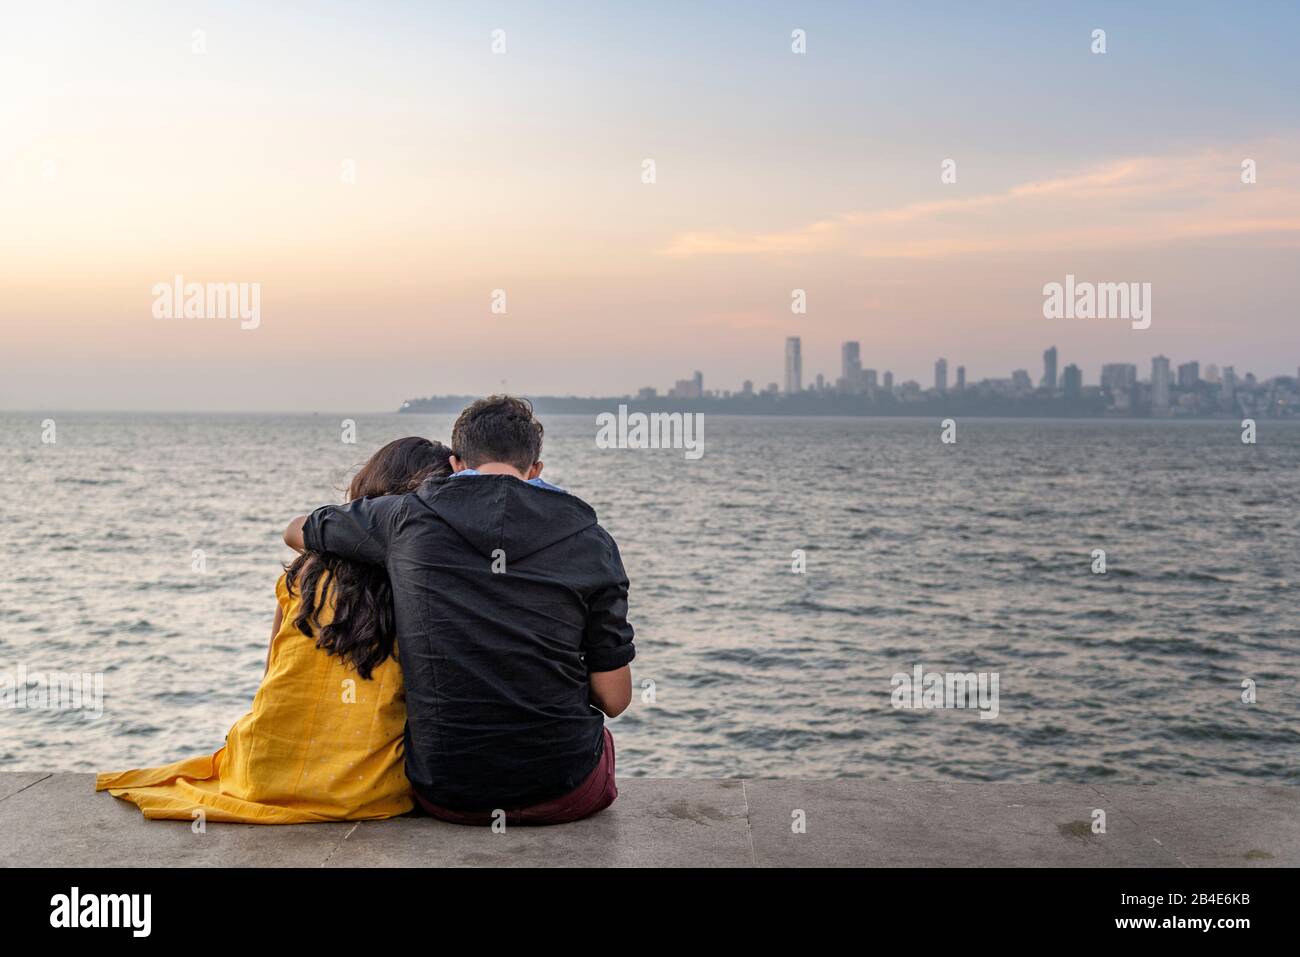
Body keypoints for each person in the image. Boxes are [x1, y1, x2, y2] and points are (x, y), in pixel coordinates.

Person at [284, 395, 635, 825]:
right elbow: (614, 699)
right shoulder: (592, 540)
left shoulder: (405, 518)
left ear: (455, 463)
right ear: (536, 470)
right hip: (566, 791)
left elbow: (296, 530)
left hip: (447, 793)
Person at [96, 438, 453, 823]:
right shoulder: (421, 586)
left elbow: (271, 676)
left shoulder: (303, 576)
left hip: (261, 772)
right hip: (366, 790)